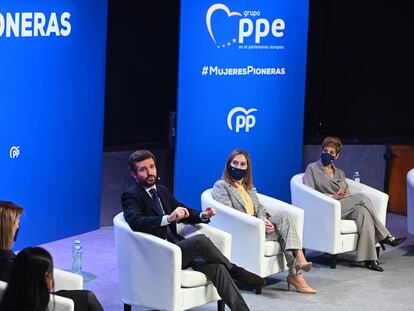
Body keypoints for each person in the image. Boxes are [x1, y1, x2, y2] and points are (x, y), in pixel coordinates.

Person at [121, 150, 266, 311]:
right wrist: (168, 219)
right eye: (143, 169)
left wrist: (203, 215)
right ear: (134, 175)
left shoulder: (161, 190)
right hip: (158, 253)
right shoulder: (131, 195)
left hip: (179, 251)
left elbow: (184, 210)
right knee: (199, 240)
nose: (150, 172)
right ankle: (235, 270)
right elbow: (135, 221)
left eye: (152, 167)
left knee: (218, 268)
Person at [213, 149, 317, 294]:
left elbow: (259, 207)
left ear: (247, 168)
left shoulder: (247, 188)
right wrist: (259, 223)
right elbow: (229, 214)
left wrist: (264, 220)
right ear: (228, 165)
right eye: (235, 163)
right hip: (244, 230)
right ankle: (296, 272)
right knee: (283, 232)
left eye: (242, 164)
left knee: (284, 217)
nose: (238, 167)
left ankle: (298, 265)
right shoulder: (222, 186)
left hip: (257, 227)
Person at [303, 136, 407, 272]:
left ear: (337, 156)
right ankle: (385, 236)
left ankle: (369, 259)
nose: (327, 154)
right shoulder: (312, 168)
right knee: (362, 198)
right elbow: (309, 194)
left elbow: (346, 191)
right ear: (321, 151)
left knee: (363, 212)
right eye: (325, 150)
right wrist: (333, 196)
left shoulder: (340, 173)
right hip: (325, 208)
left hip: (342, 207)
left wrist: (343, 195)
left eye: (331, 152)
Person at [0, 201, 103, 311]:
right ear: (7, 229)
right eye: (16, 222)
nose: (18, 226)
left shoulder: (9, 260)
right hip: (37, 302)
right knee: (88, 298)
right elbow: (33, 291)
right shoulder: (11, 264)